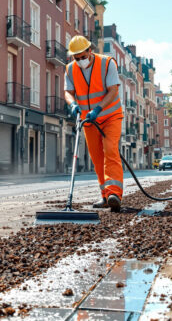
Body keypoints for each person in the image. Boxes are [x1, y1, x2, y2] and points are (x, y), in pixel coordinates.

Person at [64, 35, 124, 212]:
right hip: (88, 121)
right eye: (77, 58)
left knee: (110, 150)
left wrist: (97, 109)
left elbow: (113, 91)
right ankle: (105, 196)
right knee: (97, 158)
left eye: (83, 56)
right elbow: (68, 92)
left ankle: (115, 194)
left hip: (110, 116)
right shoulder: (70, 69)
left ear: (90, 51)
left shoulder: (107, 64)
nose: (80, 61)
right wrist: (72, 104)